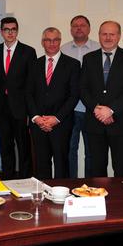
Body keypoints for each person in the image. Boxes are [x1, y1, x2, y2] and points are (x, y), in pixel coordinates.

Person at [80, 20, 123, 177]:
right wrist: (97, 109)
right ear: (99, 35)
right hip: (95, 122)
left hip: (121, 122)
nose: (108, 37)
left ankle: (121, 201)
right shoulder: (89, 58)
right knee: (97, 168)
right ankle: (97, 199)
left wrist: (111, 110)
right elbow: (83, 88)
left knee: (122, 167)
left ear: (119, 36)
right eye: (104, 34)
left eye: (112, 34)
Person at [26, 28, 80, 179]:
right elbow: (28, 93)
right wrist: (36, 117)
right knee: (41, 164)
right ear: (43, 42)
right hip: (39, 124)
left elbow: (74, 95)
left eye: (55, 40)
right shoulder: (34, 65)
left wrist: (55, 118)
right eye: (48, 40)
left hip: (61, 123)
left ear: (60, 41)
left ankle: (61, 198)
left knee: (62, 164)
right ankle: (43, 198)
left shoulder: (72, 64)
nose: (52, 43)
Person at [0, 17, 37, 179]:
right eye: (7, 29)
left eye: (13, 29)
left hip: (20, 109)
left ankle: (25, 180)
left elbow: (32, 84)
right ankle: (8, 180)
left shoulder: (28, 51)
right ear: (1, 31)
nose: (10, 32)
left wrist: (31, 112)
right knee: (5, 147)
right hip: (1, 109)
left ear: (17, 31)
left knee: (23, 148)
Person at [61, 15, 100, 178]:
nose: (79, 28)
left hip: (92, 109)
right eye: (75, 26)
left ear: (89, 28)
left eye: (82, 25)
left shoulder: (99, 49)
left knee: (92, 152)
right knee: (70, 150)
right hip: (70, 110)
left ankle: (89, 186)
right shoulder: (62, 50)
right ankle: (71, 183)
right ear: (70, 30)